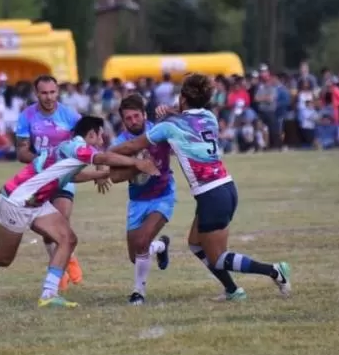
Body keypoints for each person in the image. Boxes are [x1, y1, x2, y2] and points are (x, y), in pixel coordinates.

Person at [111, 73, 291, 301]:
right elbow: (188, 118)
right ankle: (233, 290)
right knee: (196, 244)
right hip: (225, 186)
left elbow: (134, 144)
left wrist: (100, 155)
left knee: (218, 257)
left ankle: (274, 270)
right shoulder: (209, 117)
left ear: (183, 98)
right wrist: (172, 111)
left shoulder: (168, 126)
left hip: (211, 195)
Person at [0, 115, 158, 308]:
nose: (102, 138)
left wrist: (99, 174)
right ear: (91, 135)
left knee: (68, 239)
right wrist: (136, 162)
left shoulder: (71, 151)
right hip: (16, 200)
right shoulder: (76, 146)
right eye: (100, 134)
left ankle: (48, 295)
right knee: (3, 257)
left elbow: (71, 177)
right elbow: (102, 158)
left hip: (36, 202)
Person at [15, 75, 84, 290]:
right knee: (48, 229)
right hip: (38, 177)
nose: (49, 97)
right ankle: (63, 261)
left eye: (52, 92)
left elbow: (86, 142)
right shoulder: (27, 116)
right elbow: (21, 152)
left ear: (58, 92)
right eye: (44, 93)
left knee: (61, 221)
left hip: (63, 175)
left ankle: (63, 265)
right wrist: (42, 161)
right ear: (37, 94)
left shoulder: (70, 116)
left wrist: (98, 165)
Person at [106, 94, 174, 305]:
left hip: (163, 196)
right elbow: (115, 177)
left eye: (137, 116)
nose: (134, 121)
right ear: (123, 121)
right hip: (137, 201)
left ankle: (138, 293)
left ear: (145, 115)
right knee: (136, 257)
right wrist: (137, 165)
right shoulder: (120, 143)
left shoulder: (159, 129)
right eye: (129, 118)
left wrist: (170, 111)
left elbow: (184, 123)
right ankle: (161, 246)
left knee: (142, 242)